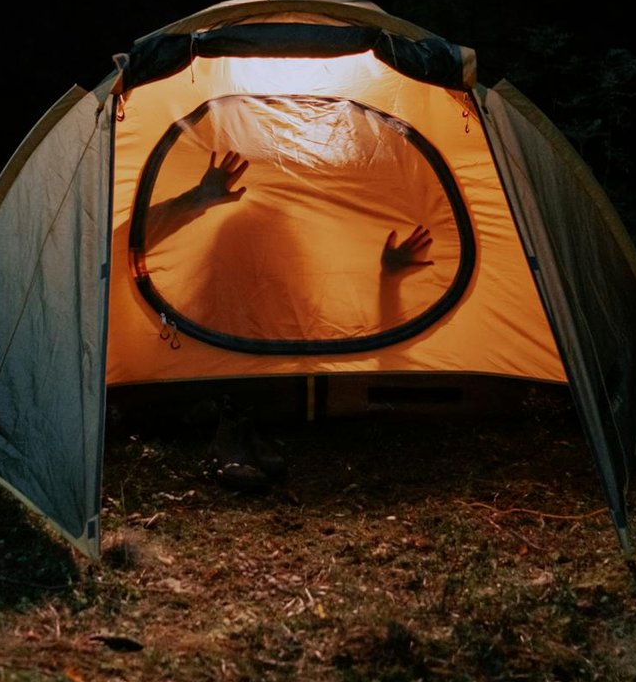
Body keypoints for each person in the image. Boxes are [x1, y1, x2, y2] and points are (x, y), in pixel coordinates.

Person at [143, 147, 436, 491]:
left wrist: (390, 281)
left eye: (272, 252)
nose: (262, 268)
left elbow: (384, 371)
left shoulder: (310, 323)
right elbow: (114, 249)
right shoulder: (191, 329)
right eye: (252, 252)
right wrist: (196, 199)